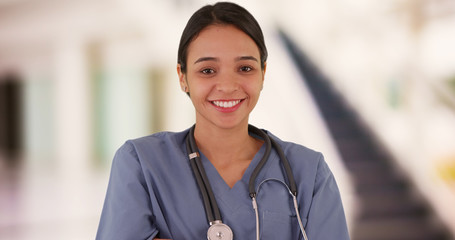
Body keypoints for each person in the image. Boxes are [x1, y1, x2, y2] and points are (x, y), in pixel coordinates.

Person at [96, 2, 350, 240]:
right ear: (182, 77)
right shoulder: (141, 163)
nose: (227, 86)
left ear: (263, 74)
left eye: (245, 68)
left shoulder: (309, 173)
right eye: (207, 70)